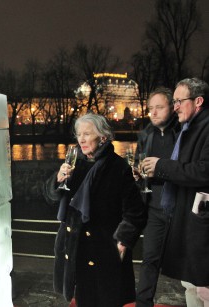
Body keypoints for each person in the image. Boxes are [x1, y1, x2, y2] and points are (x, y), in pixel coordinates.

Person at [43, 113, 147, 307]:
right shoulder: (74, 162)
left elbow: (136, 212)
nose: (81, 139)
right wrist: (57, 180)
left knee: (105, 300)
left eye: (87, 134)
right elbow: (50, 198)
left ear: (103, 137)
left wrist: (123, 242)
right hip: (75, 247)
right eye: (78, 134)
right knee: (82, 300)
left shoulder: (118, 168)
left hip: (104, 250)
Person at [142, 77, 209, 307]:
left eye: (179, 101)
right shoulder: (189, 128)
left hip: (198, 219)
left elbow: (203, 171)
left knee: (200, 285)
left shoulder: (197, 128)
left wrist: (161, 166)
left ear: (198, 101)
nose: (177, 106)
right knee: (191, 285)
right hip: (183, 215)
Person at [135, 87, 181, 307]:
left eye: (159, 107)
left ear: (172, 107)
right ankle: (143, 303)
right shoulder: (146, 134)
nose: (153, 113)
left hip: (180, 206)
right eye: (150, 108)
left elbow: (188, 169)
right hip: (154, 206)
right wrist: (137, 173)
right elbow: (139, 165)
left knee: (190, 260)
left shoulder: (183, 132)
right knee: (149, 259)